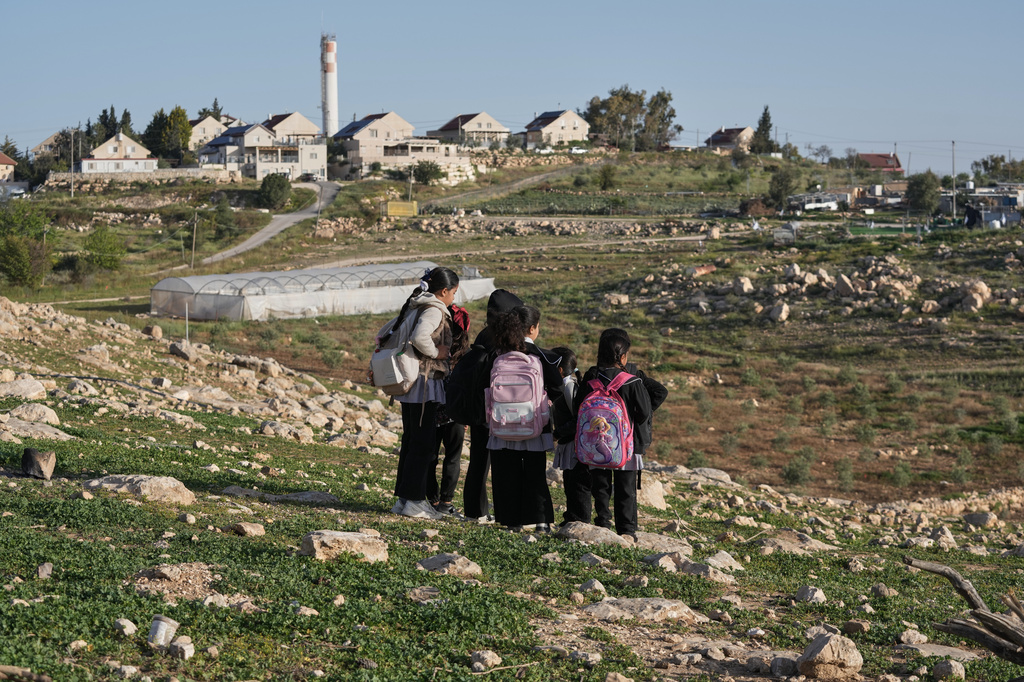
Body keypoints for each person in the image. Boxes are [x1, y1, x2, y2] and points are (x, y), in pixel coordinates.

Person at [390, 267, 460, 520]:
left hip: (412, 386)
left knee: (411, 442)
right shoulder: (434, 309)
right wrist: (437, 353)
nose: (453, 298)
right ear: (443, 291)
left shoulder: (416, 305)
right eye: (453, 293)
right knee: (423, 445)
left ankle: (405, 499)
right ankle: (415, 501)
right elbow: (421, 338)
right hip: (424, 384)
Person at [574, 328, 658, 539]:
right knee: (625, 488)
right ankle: (626, 529)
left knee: (600, 485)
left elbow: (579, 406)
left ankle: (603, 521)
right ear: (622, 357)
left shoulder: (592, 379)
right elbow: (644, 412)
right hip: (625, 446)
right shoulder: (632, 382)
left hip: (595, 444)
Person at [487, 305, 561, 532]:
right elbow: (557, 388)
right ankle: (540, 520)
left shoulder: (495, 354)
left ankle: (512, 521)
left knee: (506, 473)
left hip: (502, 425)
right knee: (535, 473)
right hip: (533, 426)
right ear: (532, 328)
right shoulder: (545, 357)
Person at [460, 289, 523, 523]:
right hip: (498, 408)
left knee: (478, 459)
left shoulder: (483, 335)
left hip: (479, 405)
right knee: (498, 461)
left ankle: (475, 510)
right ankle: (498, 511)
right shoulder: (502, 338)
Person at [427, 303, 470, 516]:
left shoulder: (434, 346)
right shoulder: (465, 354)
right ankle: (446, 501)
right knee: (452, 458)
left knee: (430, 456)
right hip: (456, 414)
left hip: (433, 409)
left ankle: (432, 500)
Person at [550, 346, 591, 526]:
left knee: (577, 483)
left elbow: (578, 419)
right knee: (569, 481)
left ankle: (580, 519)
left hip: (575, 444)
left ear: (559, 369)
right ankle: (571, 517)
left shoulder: (568, 386)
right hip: (569, 443)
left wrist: (558, 433)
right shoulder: (564, 385)